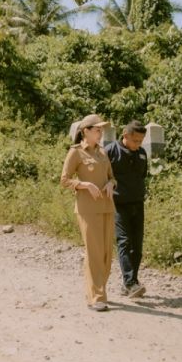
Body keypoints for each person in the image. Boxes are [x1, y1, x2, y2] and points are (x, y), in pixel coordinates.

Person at [60, 114, 117, 312]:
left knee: (106, 254)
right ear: (85, 131)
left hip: (107, 207)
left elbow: (112, 177)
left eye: (101, 130)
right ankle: (97, 297)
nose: (100, 133)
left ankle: (96, 289)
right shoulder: (75, 153)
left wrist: (111, 183)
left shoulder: (102, 152)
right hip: (87, 209)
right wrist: (83, 184)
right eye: (97, 130)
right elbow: (65, 179)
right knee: (94, 253)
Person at [105, 121, 149, 298]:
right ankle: (130, 283)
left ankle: (130, 283)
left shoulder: (142, 154)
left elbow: (142, 175)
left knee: (137, 246)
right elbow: (103, 176)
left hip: (137, 203)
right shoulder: (110, 151)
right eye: (135, 140)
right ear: (125, 135)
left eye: (141, 141)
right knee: (124, 241)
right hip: (118, 203)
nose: (138, 144)